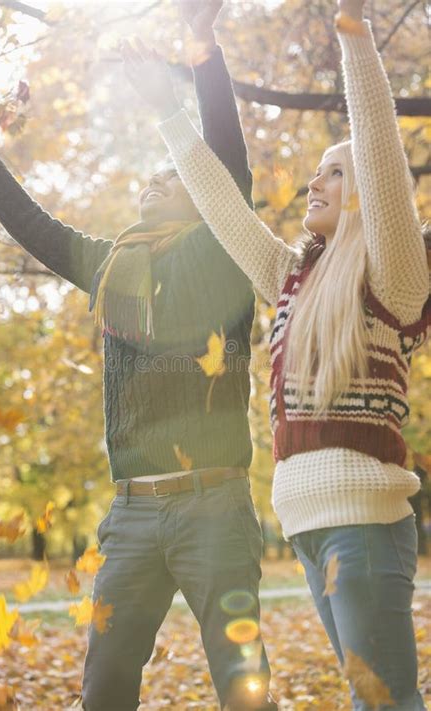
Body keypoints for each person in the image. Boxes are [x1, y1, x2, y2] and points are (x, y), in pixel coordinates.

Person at [0, 3, 278, 710]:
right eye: (149, 180)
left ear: (202, 202)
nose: (153, 182)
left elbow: (227, 162)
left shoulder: (222, 252)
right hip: (132, 513)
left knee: (241, 683)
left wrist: (203, 53)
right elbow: (32, 225)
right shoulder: (108, 267)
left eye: (172, 179)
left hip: (214, 505)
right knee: (103, 686)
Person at [120, 0, 429, 708]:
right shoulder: (293, 278)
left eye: (332, 174)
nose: (313, 184)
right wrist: (169, 108)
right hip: (308, 528)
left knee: (385, 704)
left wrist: (353, 32)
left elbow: (378, 147)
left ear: (365, 197)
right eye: (316, 172)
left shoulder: (394, 277)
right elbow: (223, 205)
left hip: (362, 525)